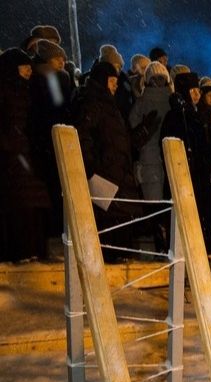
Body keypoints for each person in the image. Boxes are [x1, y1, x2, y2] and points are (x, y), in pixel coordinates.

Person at [74, 61, 157, 260]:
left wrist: (143, 132)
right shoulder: (91, 104)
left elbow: (123, 141)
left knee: (120, 222)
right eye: (112, 81)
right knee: (110, 226)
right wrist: (92, 170)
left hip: (118, 174)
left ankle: (118, 261)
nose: (115, 85)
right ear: (102, 81)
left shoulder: (111, 106)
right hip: (104, 174)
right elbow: (84, 138)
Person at [0, 48, 50, 261]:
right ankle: (21, 251)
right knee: (20, 207)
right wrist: (11, 144)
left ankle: (34, 250)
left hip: (30, 156)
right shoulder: (6, 91)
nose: (30, 70)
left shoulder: (31, 90)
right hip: (14, 158)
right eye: (25, 66)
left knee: (33, 206)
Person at [161, 72, 211, 254]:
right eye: (193, 90)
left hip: (199, 174)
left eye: (197, 90)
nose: (197, 94)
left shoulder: (196, 114)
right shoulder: (176, 116)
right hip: (186, 174)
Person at [29, 39, 73, 236]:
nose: (62, 63)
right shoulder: (53, 79)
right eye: (57, 59)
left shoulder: (39, 78)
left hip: (43, 142)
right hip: (50, 141)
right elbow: (58, 108)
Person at [129, 61, 171, 202]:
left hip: (148, 160)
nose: (159, 81)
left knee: (154, 206)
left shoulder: (141, 102)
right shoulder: (171, 102)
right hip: (167, 159)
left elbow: (132, 126)